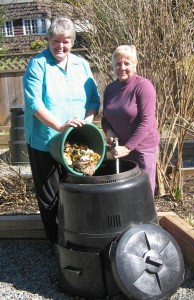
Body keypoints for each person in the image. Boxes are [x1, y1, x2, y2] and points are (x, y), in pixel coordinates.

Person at [23, 17, 100, 244]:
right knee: (50, 195)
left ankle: (77, 239)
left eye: (65, 41)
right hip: (45, 140)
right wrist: (59, 126)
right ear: (48, 40)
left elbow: (94, 100)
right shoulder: (38, 64)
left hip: (76, 141)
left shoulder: (81, 65)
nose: (60, 46)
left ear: (72, 42)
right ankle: (56, 244)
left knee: (77, 190)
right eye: (55, 40)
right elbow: (34, 103)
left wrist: (86, 121)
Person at [101, 45, 159, 195]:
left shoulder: (143, 86)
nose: (122, 67)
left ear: (134, 64)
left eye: (127, 63)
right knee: (125, 193)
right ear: (113, 66)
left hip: (142, 150)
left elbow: (147, 121)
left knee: (143, 192)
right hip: (119, 150)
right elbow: (104, 118)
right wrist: (109, 133)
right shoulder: (110, 89)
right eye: (118, 63)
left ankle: (146, 219)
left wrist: (128, 148)